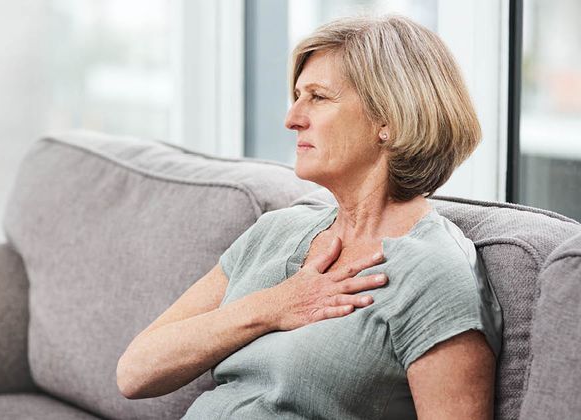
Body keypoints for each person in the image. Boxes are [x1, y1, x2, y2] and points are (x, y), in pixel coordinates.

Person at [117, 14, 503, 419]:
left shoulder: (434, 273)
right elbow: (136, 372)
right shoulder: (276, 232)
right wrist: (272, 306)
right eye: (297, 96)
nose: (292, 118)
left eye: (317, 97)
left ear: (388, 119)